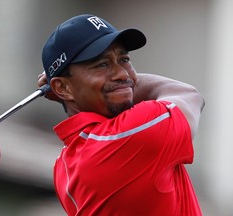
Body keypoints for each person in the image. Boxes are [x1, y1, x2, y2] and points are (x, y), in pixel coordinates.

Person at [38, 14, 205, 216]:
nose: (123, 74)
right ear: (62, 87)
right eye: (102, 64)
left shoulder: (63, 164)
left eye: (124, 60)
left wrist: (72, 90)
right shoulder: (129, 134)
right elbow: (189, 95)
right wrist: (122, 85)